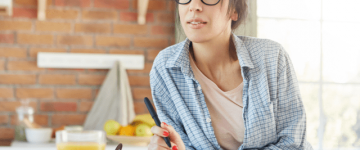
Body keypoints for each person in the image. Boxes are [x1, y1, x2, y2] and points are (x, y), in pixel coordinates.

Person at [148, 0, 313, 149]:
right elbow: (181, 144)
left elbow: (293, 143)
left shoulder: (272, 57)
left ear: (234, 10)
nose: (194, 6)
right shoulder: (166, 68)